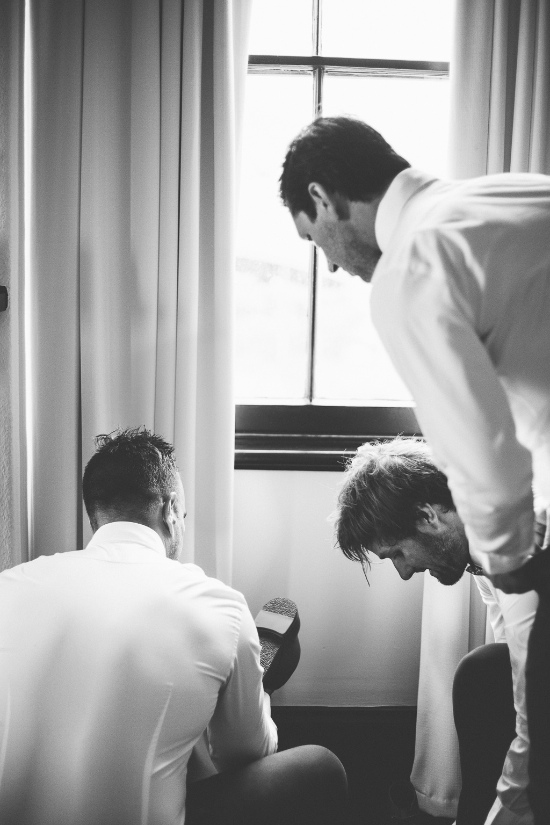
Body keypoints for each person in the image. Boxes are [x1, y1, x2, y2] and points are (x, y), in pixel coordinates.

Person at [280, 115, 550, 823]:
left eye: (317, 239)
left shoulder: (410, 271)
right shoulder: (512, 196)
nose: (332, 264)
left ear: (326, 197)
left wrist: (513, 565)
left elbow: (483, 451)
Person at [0, 427, 347, 825]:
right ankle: (250, 685)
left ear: (95, 513)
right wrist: (256, 701)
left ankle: (226, 689)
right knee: (321, 766)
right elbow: (245, 755)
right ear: (170, 510)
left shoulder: (9, 585)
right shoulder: (221, 606)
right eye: (182, 515)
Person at [335, 436, 545, 825]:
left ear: (429, 516)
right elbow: (516, 668)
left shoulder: (521, 552)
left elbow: (537, 717)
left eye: (398, 552)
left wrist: (502, 815)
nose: (404, 572)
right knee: (486, 672)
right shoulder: (481, 551)